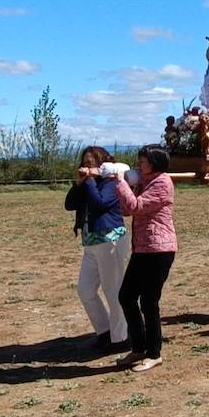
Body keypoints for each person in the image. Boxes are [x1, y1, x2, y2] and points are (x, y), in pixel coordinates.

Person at [111, 145, 177, 372]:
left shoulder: (162, 183)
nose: (140, 163)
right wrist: (127, 185)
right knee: (127, 296)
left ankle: (154, 353)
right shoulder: (145, 182)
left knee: (149, 302)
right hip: (143, 249)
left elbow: (136, 206)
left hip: (159, 249)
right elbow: (126, 210)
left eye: (144, 160)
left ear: (156, 163)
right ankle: (138, 348)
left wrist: (121, 183)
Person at [68, 146, 131, 353]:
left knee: (113, 291)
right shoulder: (88, 184)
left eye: (90, 163)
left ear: (102, 164)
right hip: (91, 242)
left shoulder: (111, 182)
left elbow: (99, 204)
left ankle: (120, 338)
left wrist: (90, 182)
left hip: (110, 240)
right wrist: (80, 183)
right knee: (85, 290)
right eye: (84, 162)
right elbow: (70, 204)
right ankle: (105, 331)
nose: (86, 166)